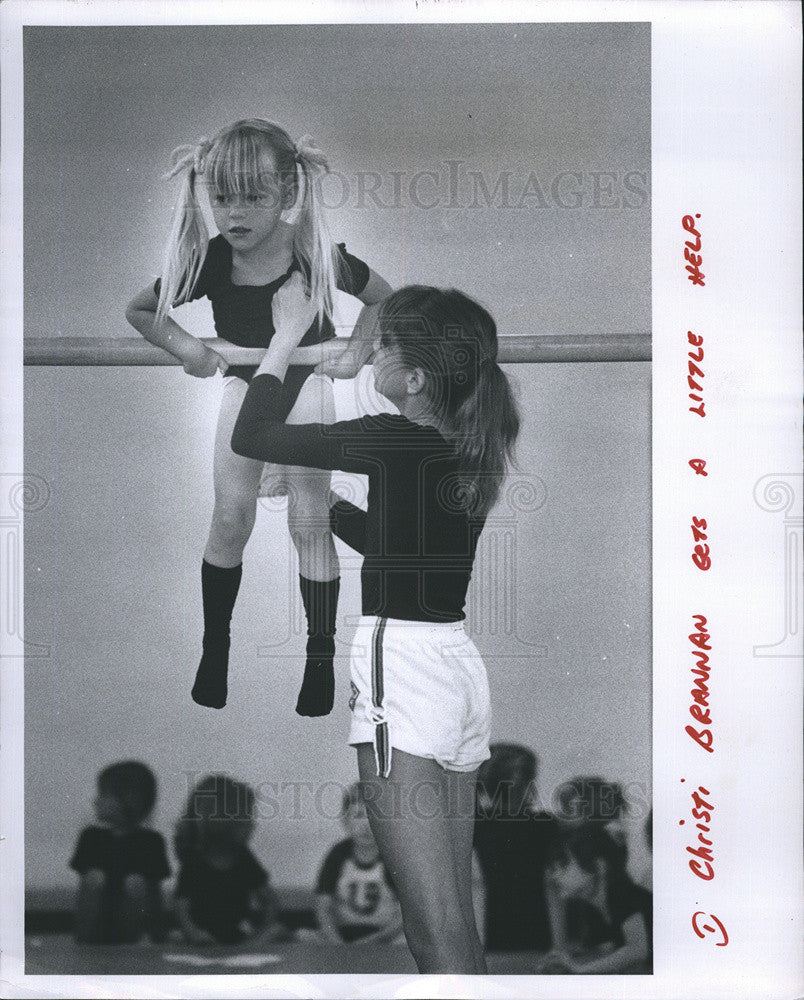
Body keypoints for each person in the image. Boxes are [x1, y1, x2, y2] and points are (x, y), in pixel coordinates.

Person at [230, 279, 521, 973]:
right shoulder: (469, 444)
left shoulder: (391, 436)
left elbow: (252, 434)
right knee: (452, 924)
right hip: (452, 667)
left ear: (414, 377)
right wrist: (323, 502)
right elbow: (407, 555)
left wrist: (284, 339)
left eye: (382, 345)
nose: (370, 353)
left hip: (405, 667)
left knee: (432, 926)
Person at [126, 118, 391, 714]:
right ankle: (214, 645)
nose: (235, 213)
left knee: (309, 520)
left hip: (304, 386)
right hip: (247, 384)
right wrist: (191, 349)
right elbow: (141, 310)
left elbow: (386, 299)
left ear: (289, 195)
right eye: (221, 197)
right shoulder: (212, 260)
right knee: (229, 516)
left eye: (253, 196)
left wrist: (352, 354)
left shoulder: (315, 255)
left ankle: (319, 655)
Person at [173, 774, 284, 945]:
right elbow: (182, 907)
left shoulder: (242, 857)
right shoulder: (194, 861)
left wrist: (262, 930)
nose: (252, 825)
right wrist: (193, 933)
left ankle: (245, 948)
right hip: (203, 938)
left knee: (278, 931)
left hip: (239, 935)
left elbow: (270, 900)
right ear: (222, 823)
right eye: (245, 819)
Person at [70, 760, 170, 943]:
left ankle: (134, 941)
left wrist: (157, 932)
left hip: (134, 927)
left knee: (136, 884)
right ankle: (88, 941)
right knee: (94, 879)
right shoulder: (91, 837)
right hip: (94, 925)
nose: (96, 800)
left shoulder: (151, 841)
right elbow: (84, 890)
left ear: (129, 799)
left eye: (104, 794)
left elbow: (154, 895)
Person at [473, 743, 558, 952]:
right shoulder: (545, 824)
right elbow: (552, 885)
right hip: (537, 923)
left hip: (492, 925)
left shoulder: (474, 824)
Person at [538, 824, 652, 974]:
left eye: (563, 866)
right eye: (554, 869)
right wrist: (566, 958)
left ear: (599, 865)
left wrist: (579, 969)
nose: (554, 876)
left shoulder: (622, 894)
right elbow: (609, 949)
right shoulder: (592, 907)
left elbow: (637, 950)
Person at [314, 782, 403, 945]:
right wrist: (337, 943)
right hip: (341, 936)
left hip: (384, 938)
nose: (365, 826)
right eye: (358, 815)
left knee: (407, 944)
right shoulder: (338, 854)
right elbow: (323, 908)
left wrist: (375, 941)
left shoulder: (393, 856)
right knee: (302, 937)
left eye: (374, 817)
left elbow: (407, 915)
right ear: (345, 821)